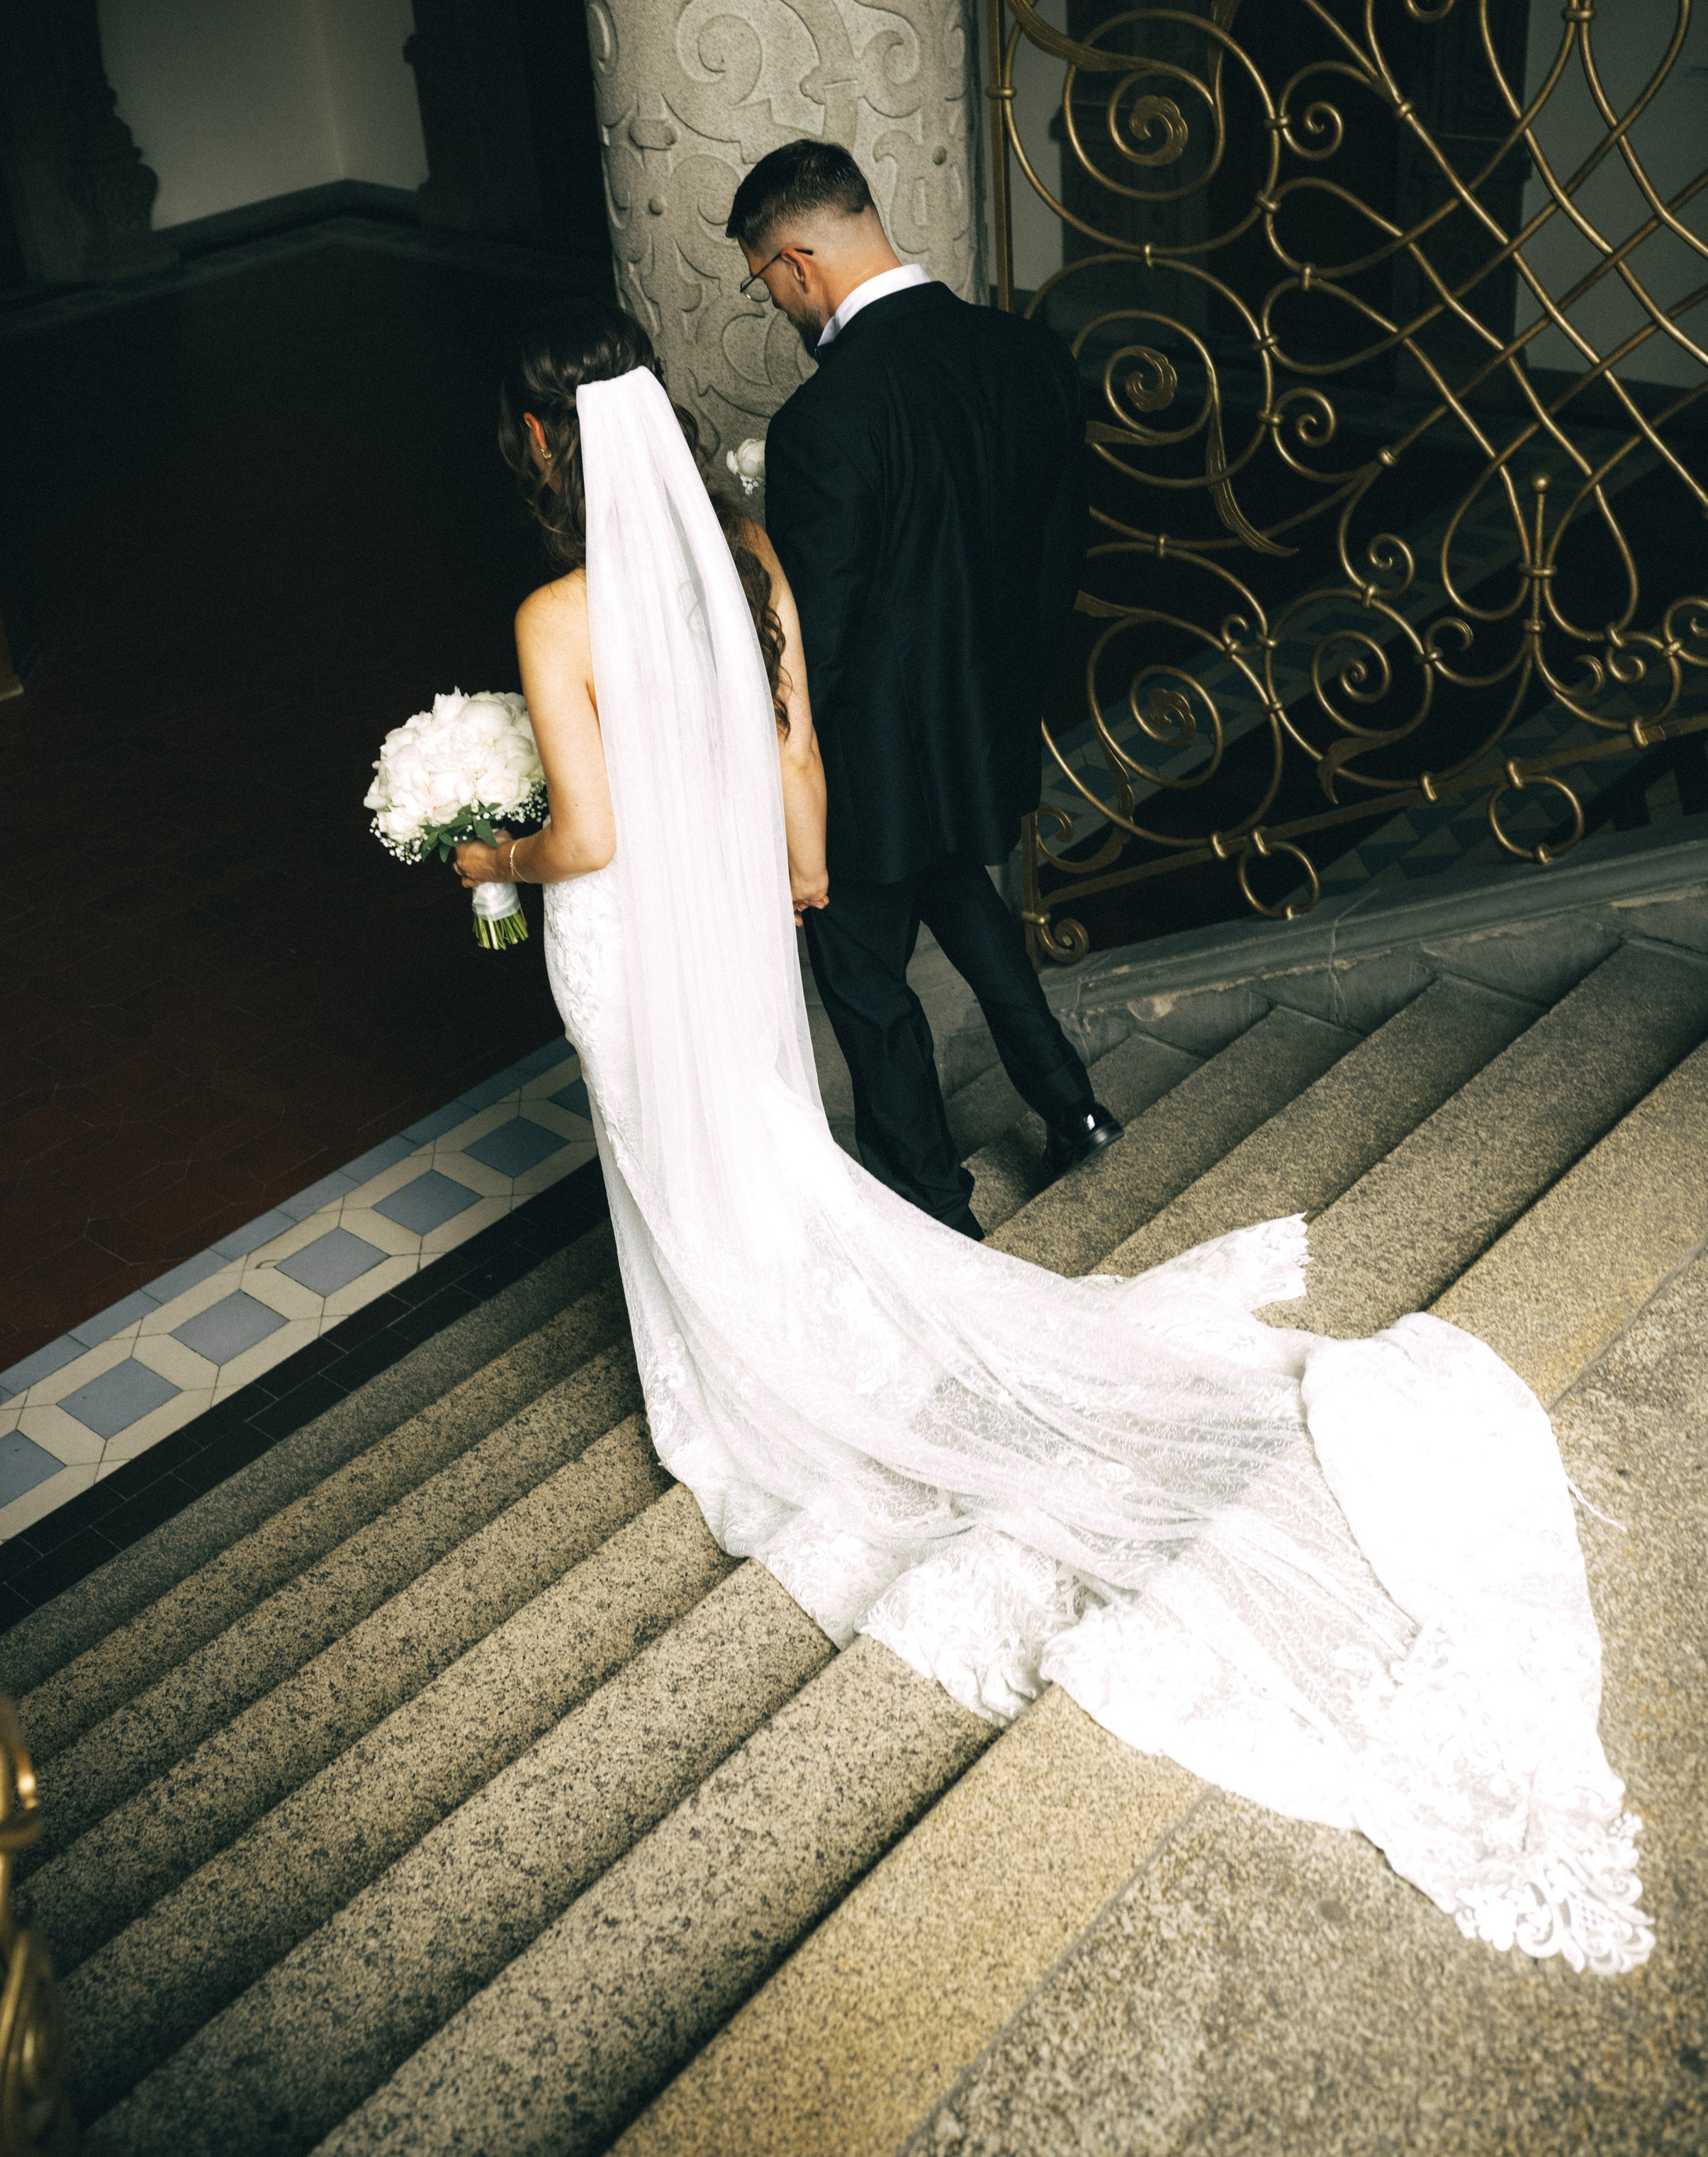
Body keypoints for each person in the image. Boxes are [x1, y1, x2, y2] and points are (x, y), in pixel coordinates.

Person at [450, 299, 1650, 1978]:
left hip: (632, 935)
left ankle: (735, 1390)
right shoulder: (742, 555)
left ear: (532, 447)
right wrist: (798, 873)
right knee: (765, 1135)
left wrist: (484, 861)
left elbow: (585, 831)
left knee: (676, 1155)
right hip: (722, 918)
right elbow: (794, 752)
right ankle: (795, 1332)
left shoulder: (554, 611)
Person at [731, 139, 1118, 1239]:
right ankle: (1070, 1104)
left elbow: (827, 636)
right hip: (985, 719)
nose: (777, 306)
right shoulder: (1027, 353)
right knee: (964, 894)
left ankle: (933, 1209)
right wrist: (1000, 694)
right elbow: (1060, 552)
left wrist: (788, 763)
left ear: (798, 260)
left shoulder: (828, 419)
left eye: (765, 281)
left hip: (871, 761)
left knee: (860, 977)